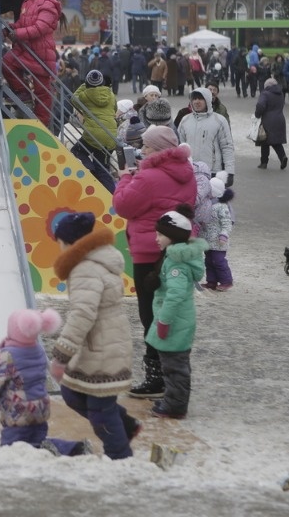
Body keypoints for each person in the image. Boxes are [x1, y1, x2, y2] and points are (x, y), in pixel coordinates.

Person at [112, 126, 197, 399]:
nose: (143, 150)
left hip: (149, 252)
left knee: (150, 314)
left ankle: (156, 377)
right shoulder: (187, 174)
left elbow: (123, 206)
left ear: (158, 149)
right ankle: (172, 372)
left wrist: (125, 179)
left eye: (147, 146)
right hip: (175, 250)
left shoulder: (147, 177)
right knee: (171, 309)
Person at [47, 212, 140, 460]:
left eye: (60, 241)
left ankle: (120, 458)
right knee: (71, 392)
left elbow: (82, 314)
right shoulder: (94, 263)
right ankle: (127, 425)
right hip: (99, 345)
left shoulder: (85, 269)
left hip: (102, 347)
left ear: (70, 242)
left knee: (101, 411)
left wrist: (61, 354)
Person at [0, 308, 90, 456]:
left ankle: (45, 451)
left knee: (10, 452)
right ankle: (72, 448)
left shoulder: (8, 355)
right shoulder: (38, 349)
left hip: (17, 415)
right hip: (40, 411)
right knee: (38, 442)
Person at [146, 205, 208, 419]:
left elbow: (175, 294)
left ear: (173, 237)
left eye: (161, 234)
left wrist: (164, 321)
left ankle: (176, 406)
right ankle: (173, 399)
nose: (157, 238)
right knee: (173, 364)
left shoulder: (176, 263)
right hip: (178, 320)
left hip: (174, 322)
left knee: (175, 367)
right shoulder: (173, 257)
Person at [1, 0, 63, 127]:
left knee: (43, 91)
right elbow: (23, 24)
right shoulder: (29, 1)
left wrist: (17, 34)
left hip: (41, 52)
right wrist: (10, 28)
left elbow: (41, 27)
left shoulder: (48, 2)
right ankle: (23, 93)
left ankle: (41, 124)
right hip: (25, 48)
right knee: (7, 63)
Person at [72, 69, 117, 192]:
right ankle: (112, 198)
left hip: (93, 135)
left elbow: (73, 99)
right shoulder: (111, 95)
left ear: (87, 83)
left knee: (77, 151)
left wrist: (84, 85)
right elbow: (115, 109)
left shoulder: (84, 95)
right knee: (103, 167)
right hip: (110, 135)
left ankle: (89, 170)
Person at [177, 88, 236, 181]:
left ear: (207, 100)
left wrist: (230, 172)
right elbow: (179, 146)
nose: (197, 102)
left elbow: (227, 147)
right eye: (194, 99)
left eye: (200, 99)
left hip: (213, 172)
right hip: (190, 170)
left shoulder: (219, 120)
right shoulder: (185, 120)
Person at [202, 175, 234, 291]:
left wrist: (224, 234)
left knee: (219, 261)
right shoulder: (206, 204)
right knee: (208, 261)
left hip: (219, 241)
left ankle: (226, 281)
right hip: (207, 239)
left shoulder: (222, 206)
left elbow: (227, 222)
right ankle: (212, 281)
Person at [254, 77, 288, 170]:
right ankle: (283, 157)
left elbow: (260, 105)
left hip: (268, 120)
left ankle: (264, 163)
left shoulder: (265, 93)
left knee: (264, 141)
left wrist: (257, 114)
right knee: (276, 142)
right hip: (280, 118)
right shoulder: (280, 93)